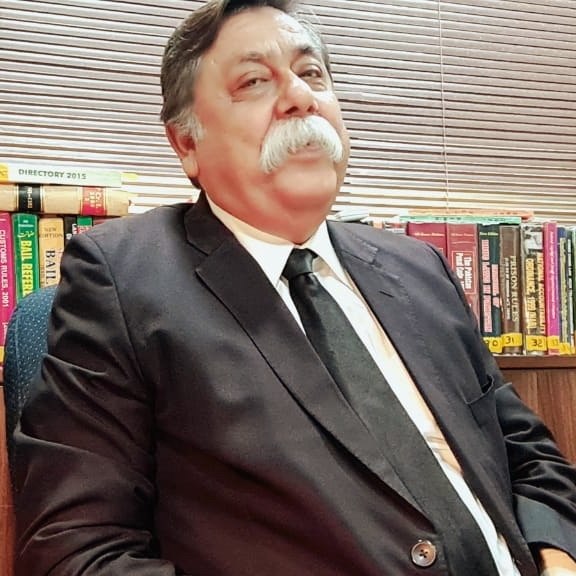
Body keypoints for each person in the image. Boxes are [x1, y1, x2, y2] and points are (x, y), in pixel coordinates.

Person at [12, 1, 576, 574]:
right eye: (254, 81)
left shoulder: (419, 268)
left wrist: (558, 559)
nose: (301, 96)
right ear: (186, 144)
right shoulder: (122, 278)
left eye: (311, 73)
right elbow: (74, 552)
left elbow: (530, 458)